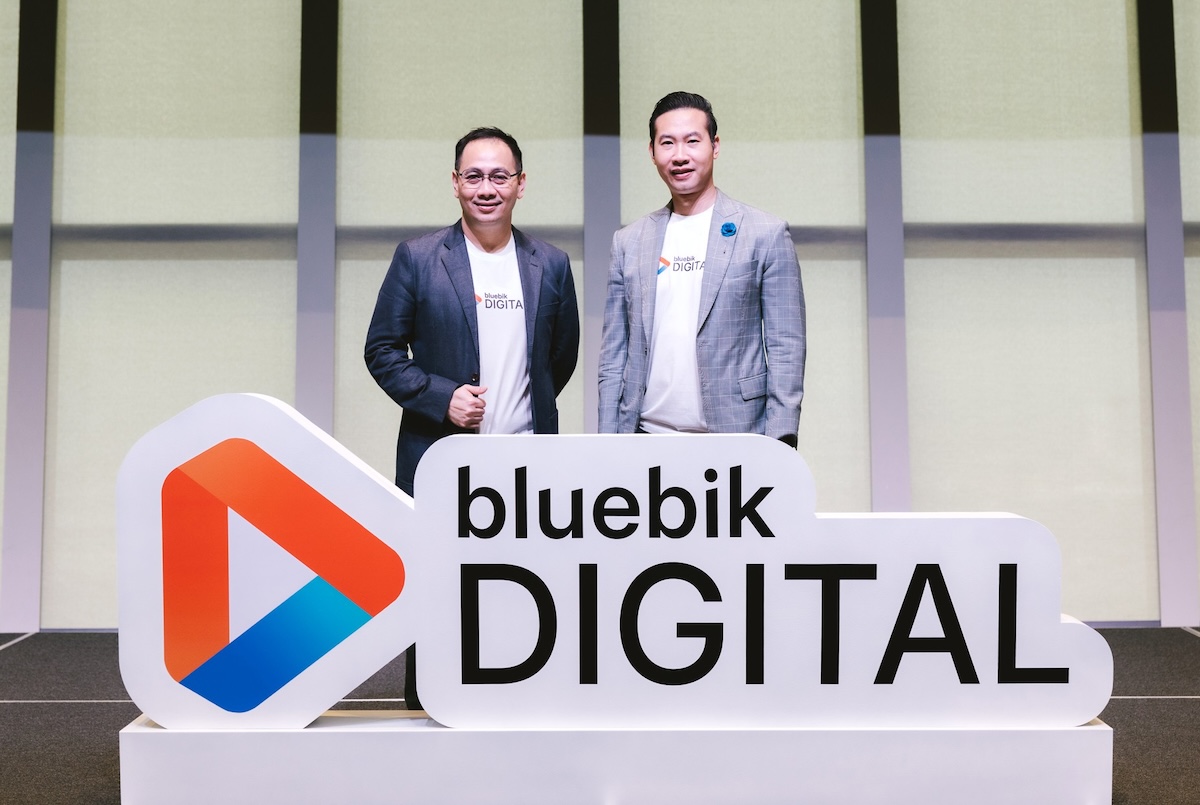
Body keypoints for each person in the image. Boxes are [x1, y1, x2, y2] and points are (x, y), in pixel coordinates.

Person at [365, 126, 580, 709]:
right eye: (475, 176)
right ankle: (429, 709)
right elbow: (382, 350)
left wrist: (523, 410)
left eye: (500, 176)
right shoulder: (418, 258)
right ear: (456, 183)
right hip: (442, 461)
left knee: (523, 590)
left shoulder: (551, 264)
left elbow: (560, 359)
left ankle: (519, 708)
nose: (488, 188)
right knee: (437, 593)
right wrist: (441, 397)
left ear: (521, 184)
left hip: (525, 467)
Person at [597, 91, 805, 445]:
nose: (680, 155)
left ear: (714, 146)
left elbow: (787, 348)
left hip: (737, 436)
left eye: (692, 141)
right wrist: (607, 441)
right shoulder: (629, 241)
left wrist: (780, 443)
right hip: (645, 436)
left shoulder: (765, 234)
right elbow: (613, 355)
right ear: (652, 152)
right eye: (667, 143)